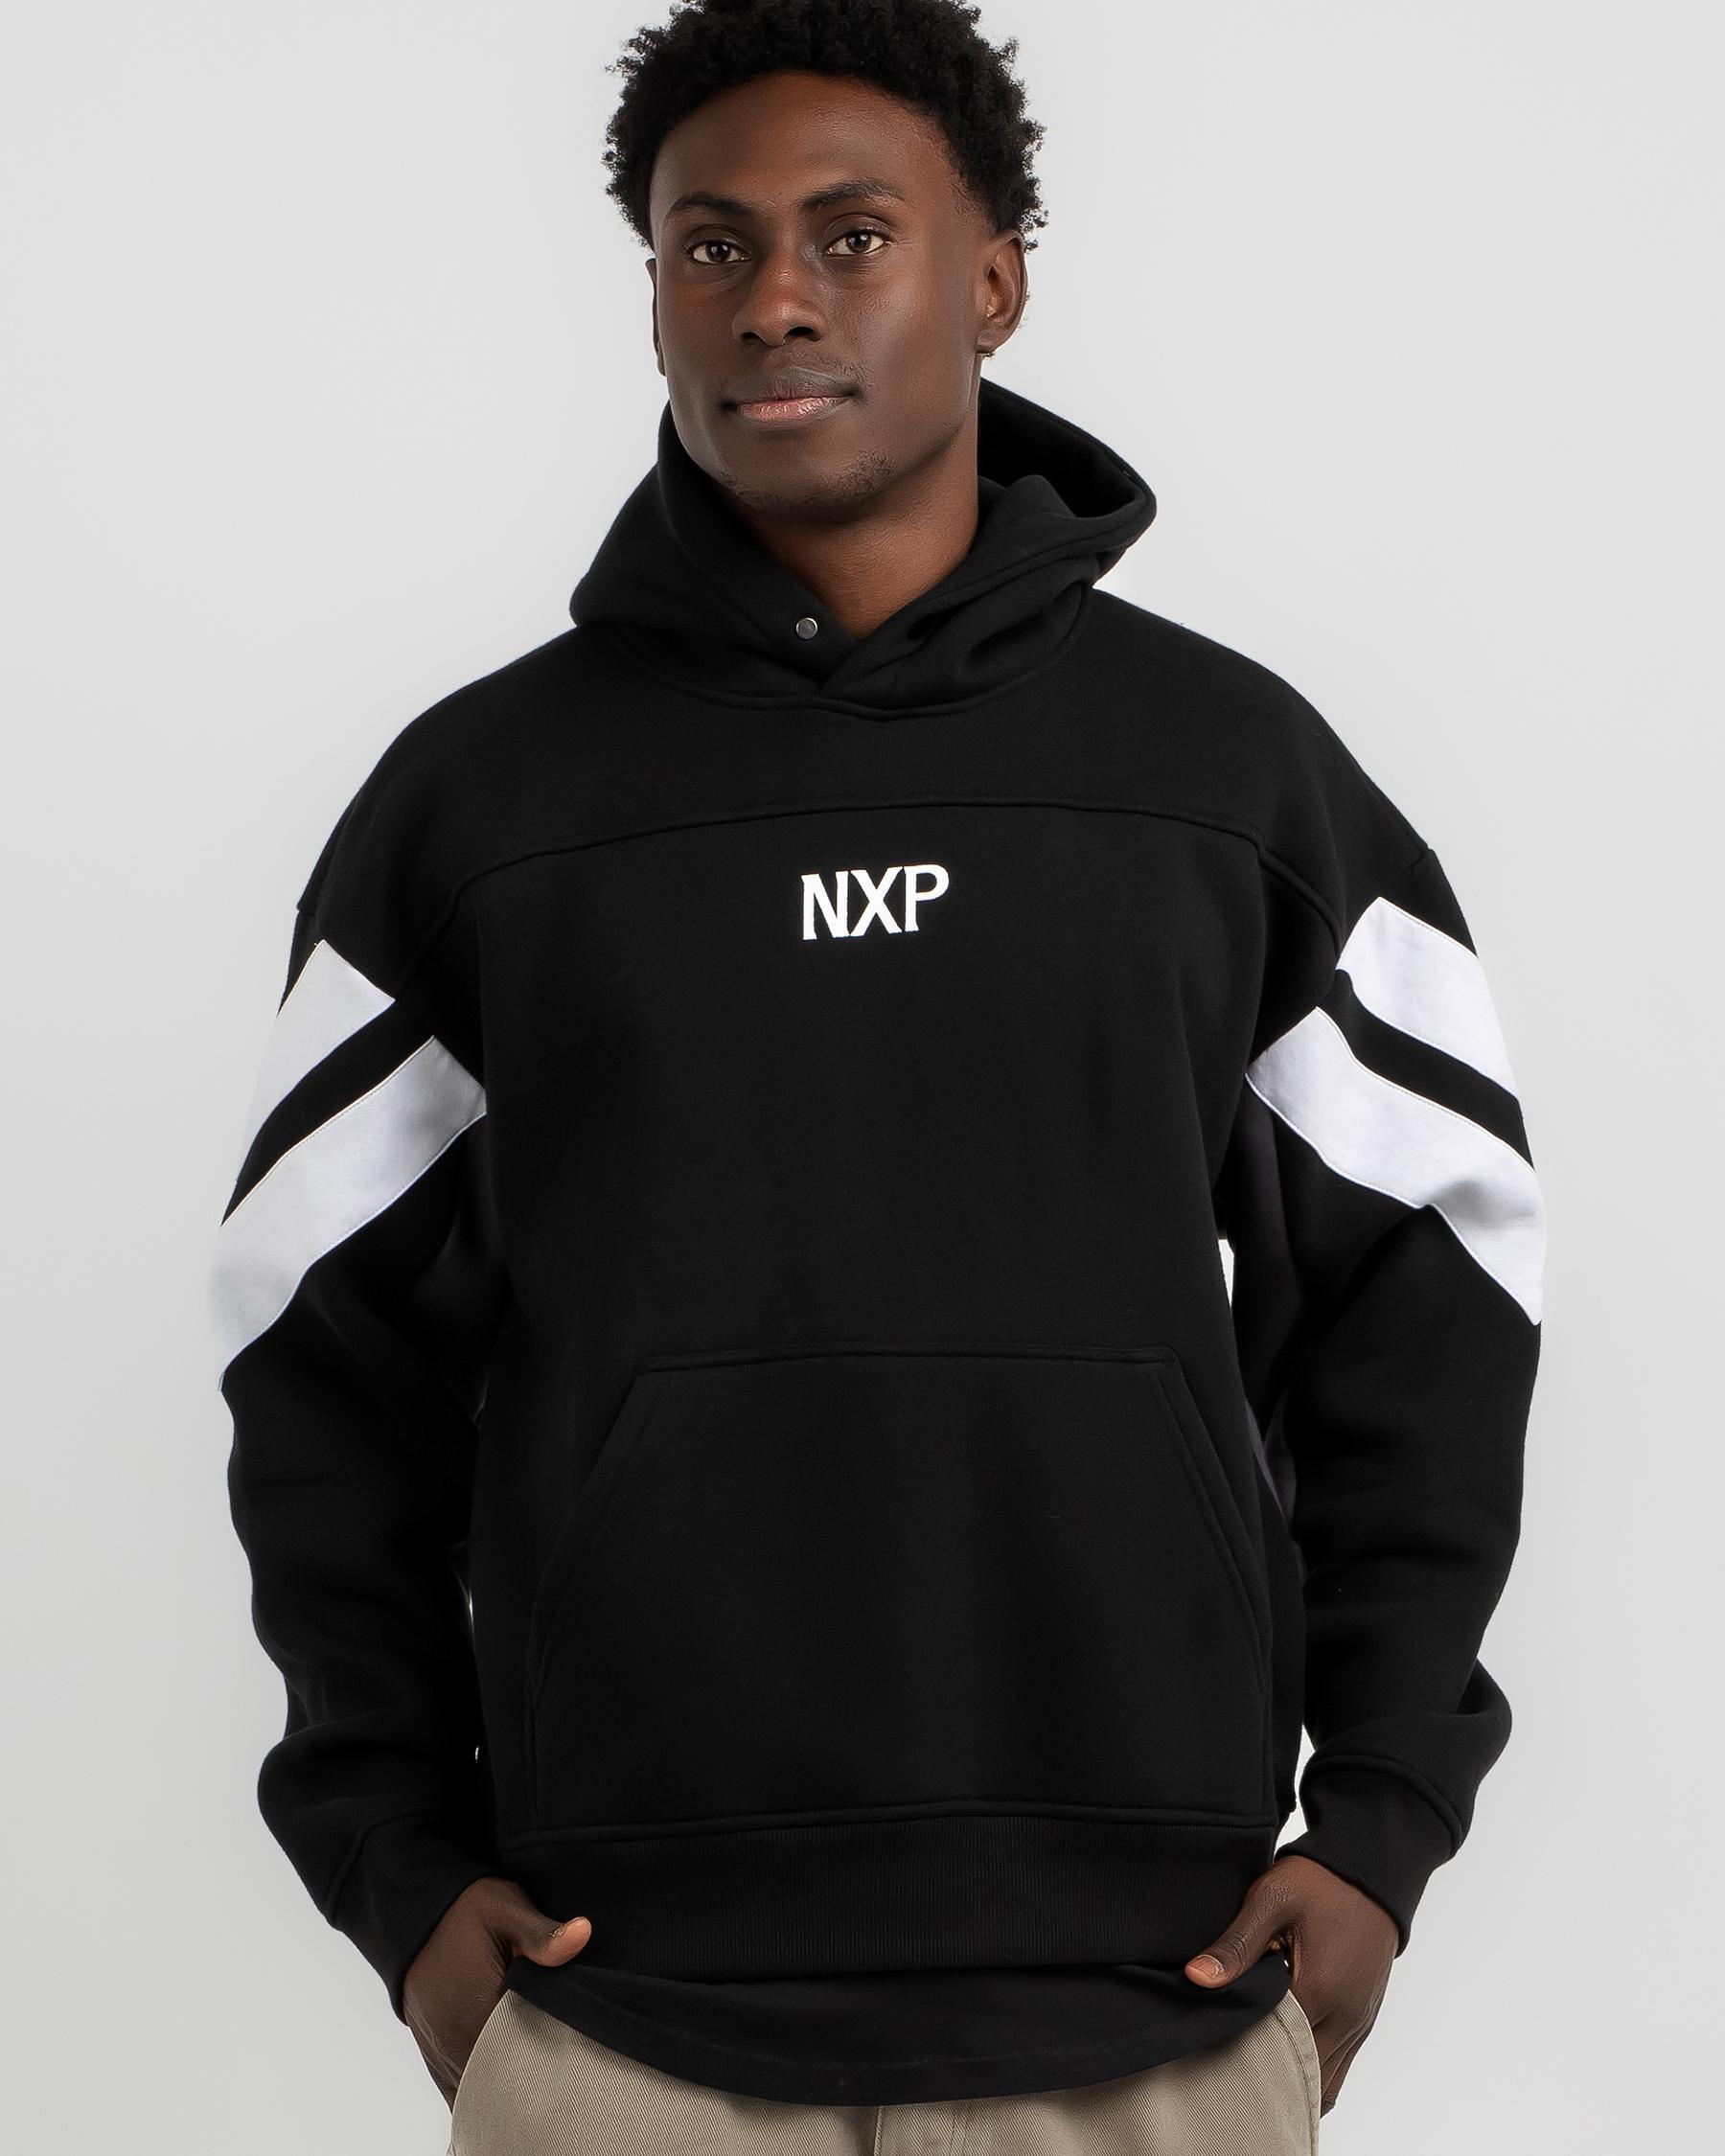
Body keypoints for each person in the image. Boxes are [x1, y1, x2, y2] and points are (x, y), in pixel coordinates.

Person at [206, 2, 1546, 2149]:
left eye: (853, 235)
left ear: (993, 279)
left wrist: (1382, 1818)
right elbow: (316, 1354)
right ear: (654, 295)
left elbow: (1435, 1292)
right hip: (617, 2003)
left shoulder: (1232, 784)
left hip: (1166, 1989)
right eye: (710, 245)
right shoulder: (479, 813)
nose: (775, 299)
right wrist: (393, 1856)